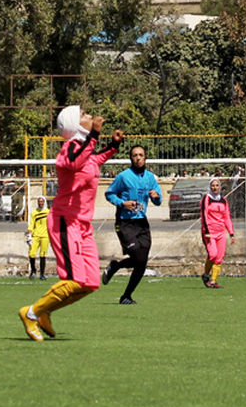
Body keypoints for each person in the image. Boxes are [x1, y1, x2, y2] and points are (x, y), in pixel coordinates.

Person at [18, 105, 122, 341]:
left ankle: (44, 312)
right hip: (65, 222)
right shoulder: (70, 148)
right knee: (74, 280)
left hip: (83, 225)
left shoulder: (86, 150)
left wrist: (113, 145)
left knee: (90, 283)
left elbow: (95, 159)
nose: (89, 116)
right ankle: (31, 313)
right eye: (84, 115)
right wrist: (94, 135)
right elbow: (75, 162)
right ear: (75, 124)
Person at [101, 143, 162, 304]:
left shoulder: (150, 177)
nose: (138, 158)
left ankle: (126, 295)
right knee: (137, 256)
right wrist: (122, 203)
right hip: (125, 222)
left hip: (142, 222)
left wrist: (156, 196)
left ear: (145, 157)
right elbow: (109, 193)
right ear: (131, 158)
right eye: (135, 155)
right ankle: (116, 266)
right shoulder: (123, 176)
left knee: (142, 263)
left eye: (141, 155)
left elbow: (158, 199)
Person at [199, 178, 235, 288]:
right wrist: (207, 231)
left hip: (220, 232)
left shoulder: (224, 200)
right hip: (209, 232)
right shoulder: (206, 199)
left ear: (220, 187)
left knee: (219, 257)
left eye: (217, 185)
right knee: (213, 255)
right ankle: (206, 275)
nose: (215, 187)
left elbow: (227, 217)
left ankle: (213, 281)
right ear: (210, 187)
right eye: (213, 185)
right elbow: (204, 214)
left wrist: (231, 233)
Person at [26, 196, 50, 279]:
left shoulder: (48, 212)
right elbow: (31, 224)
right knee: (32, 253)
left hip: (45, 236)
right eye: (39, 201)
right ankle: (33, 271)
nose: (40, 203)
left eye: (42, 201)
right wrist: (29, 235)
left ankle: (42, 274)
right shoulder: (34, 213)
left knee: (42, 254)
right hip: (36, 236)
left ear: (44, 202)